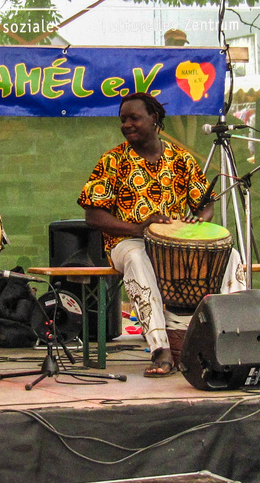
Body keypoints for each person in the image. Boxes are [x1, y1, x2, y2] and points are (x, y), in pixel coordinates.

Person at [79, 94, 246, 377]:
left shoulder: (181, 159)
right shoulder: (113, 160)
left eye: (134, 118)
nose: (127, 125)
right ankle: (160, 348)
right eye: (123, 120)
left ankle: (237, 337)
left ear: (154, 119)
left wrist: (197, 221)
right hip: (128, 242)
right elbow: (93, 216)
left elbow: (206, 204)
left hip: (178, 246)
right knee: (137, 257)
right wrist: (137, 228)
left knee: (232, 256)